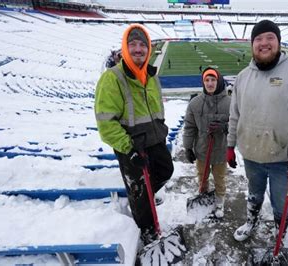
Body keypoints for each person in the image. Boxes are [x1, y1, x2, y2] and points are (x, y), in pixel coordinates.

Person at [227, 20, 288, 242]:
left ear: (279, 42)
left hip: (284, 159)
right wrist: (230, 145)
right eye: (258, 39)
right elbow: (234, 115)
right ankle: (251, 221)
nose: (264, 43)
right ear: (252, 45)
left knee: (281, 203)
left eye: (270, 38)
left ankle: (278, 232)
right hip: (251, 155)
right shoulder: (243, 77)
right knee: (254, 194)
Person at [94, 24, 173, 246]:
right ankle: (148, 234)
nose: (138, 49)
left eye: (142, 45)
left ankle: (142, 201)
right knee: (139, 190)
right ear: (125, 48)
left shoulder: (151, 76)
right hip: (131, 146)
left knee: (166, 170)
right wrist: (129, 148)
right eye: (133, 44)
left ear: (149, 49)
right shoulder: (113, 78)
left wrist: (161, 131)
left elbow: (157, 110)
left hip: (155, 140)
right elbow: (106, 123)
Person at [183, 67, 231, 218]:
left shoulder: (230, 103)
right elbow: (190, 127)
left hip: (221, 150)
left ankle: (219, 201)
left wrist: (225, 127)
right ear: (203, 82)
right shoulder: (195, 103)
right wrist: (188, 148)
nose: (210, 83)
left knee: (220, 178)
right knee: (202, 177)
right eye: (207, 80)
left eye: (213, 80)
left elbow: (239, 125)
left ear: (219, 81)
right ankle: (203, 198)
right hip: (202, 149)